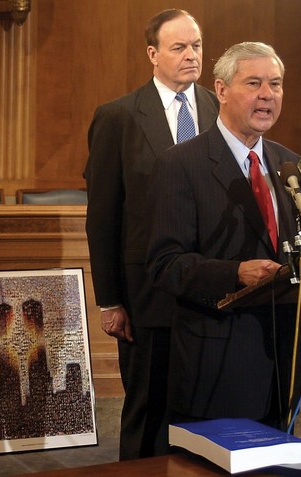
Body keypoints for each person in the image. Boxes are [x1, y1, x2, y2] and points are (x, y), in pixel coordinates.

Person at [146, 42, 301, 429]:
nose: (268, 94)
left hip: (282, 362)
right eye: (254, 83)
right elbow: (165, 265)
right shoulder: (180, 164)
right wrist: (236, 274)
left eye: (276, 84)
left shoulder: (292, 167)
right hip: (216, 364)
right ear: (221, 90)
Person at [84, 9, 219, 460]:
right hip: (147, 295)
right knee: (149, 412)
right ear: (152, 54)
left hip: (214, 293)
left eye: (196, 46)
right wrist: (110, 301)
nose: (191, 55)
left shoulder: (221, 110)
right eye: (179, 47)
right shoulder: (118, 117)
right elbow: (102, 216)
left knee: (206, 413)